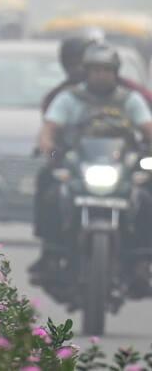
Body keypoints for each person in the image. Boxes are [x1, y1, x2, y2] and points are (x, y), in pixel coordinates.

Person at [31, 43, 152, 289]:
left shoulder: (130, 100)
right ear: (86, 71)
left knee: (146, 198)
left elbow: (147, 129)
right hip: (78, 167)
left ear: (115, 72)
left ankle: (141, 258)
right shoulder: (69, 98)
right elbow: (48, 131)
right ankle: (51, 253)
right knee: (49, 189)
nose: (101, 75)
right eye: (95, 70)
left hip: (122, 169)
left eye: (106, 70)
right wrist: (51, 151)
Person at [41, 35, 152, 115]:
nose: (101, 75)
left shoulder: (130, 94)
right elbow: (50, 130)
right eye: (72, 64)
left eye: (105, 69)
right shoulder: (62, 97)